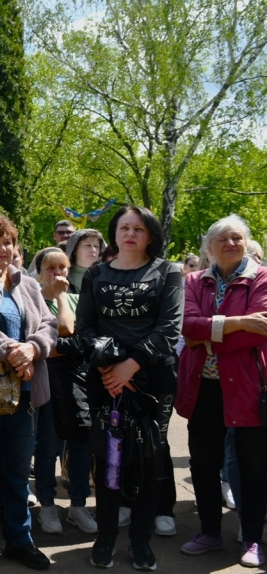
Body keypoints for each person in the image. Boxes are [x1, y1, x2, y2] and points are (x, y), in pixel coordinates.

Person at [75, 205, 182, 571]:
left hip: (154, 380)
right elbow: (84, 328)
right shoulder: (96, 274)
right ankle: (105, 538)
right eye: (124, 228)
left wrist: (131, 366)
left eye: (138, 228)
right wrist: (110, 367)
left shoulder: (168, 272)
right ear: (115, 233)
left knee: (151, 459)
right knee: (108, 458)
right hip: (106, 379)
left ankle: (140, 541)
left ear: (150, 234)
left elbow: (169, 329)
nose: (130, 234)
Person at [176, 215, 267, 567]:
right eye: (223, 239)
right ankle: (210, 531)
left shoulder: (261, 277)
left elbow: (259, 330)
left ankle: (252, 538)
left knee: (253, 466)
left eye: (238, 238)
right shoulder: (194, 281)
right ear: (209, 248)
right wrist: (238, 322)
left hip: (247, 385)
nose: (231, 244)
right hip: (204, 386)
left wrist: (209, 337)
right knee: (203, 462)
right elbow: (186, 327)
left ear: (246, 243)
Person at [0, 216, 57, 570]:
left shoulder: (29, 286)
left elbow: (49, 324)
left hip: (24, 395)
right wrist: (13, 349)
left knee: (18, 474)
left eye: (7, 242)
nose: (3, 249)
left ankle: (19, 541)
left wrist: (34, 348)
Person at [33, 248, 98, 537]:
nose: (58, 274)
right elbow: (48, 341)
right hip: (45, 382)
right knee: (47, 447)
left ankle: (78, 505)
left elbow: (76, 337)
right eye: (50, 268)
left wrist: (61, 298)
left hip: (76, 382)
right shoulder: (32, 298)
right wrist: (55, 347)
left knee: (80, 445)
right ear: (39, 272)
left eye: (62, 268)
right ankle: (47, 504)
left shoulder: (77, 298)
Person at [64, 229, 106, 294]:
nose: (93, 250)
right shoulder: (63, 275)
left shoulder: (106, 275)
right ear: (74, 249)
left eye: (96, 246)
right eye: (88, 245)